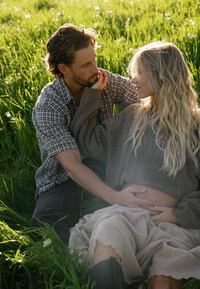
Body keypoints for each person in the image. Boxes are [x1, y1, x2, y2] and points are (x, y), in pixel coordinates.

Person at [69, 41, 200, 288]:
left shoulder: (195, 125)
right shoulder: (132, 117)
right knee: (108, 232)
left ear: (161, 75)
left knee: (163, 278)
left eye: (140, 73)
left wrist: (179, 214)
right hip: (126, 214)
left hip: (171, 226)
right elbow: (88, 143)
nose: (133, 80)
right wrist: (93, 94)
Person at [30, 23, 157, 244]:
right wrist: (114, 196)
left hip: (110, 167)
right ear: (64, 68)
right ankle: (78, 265)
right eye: (86, 64)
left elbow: (147, 104)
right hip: (63, 179)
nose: (95, 69)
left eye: (94, 60)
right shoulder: (48, 105)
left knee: (145, 204)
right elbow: (73, 165)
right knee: (43, 224)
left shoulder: (104, 81)